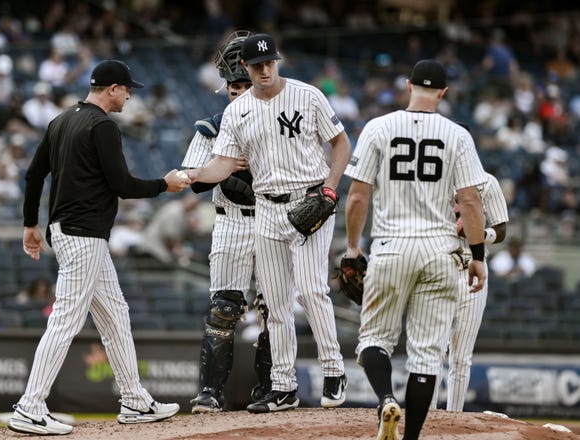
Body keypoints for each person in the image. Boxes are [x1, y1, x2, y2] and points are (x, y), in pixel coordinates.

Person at [8, 59, 190, 436]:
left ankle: (134, 400)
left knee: (115, 315)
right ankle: (29, 406)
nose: (128, 95)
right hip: (83, 234)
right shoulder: (103, 124)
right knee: (67, 319)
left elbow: (33, 174)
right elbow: (123, 185)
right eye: (126, 89)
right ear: (112, 89)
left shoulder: (60, 121)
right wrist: (163, 184)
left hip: (72, 232)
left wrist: (30, 224)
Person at [184, 33, 349, 413]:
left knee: (309, 291)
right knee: (274, 305)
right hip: (265, 210)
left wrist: (330, 189)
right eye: (255, 65)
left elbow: (341, 143)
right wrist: (189, 176)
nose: (263, 69)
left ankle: (333, 369)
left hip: (309, 201)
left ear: (278, 61)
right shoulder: (234, 113)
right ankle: (282, 386)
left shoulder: (307, 95)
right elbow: (221, 164)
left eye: (268, 62)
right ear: (244, 67)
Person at [344, 59, 487, 440]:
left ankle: (386, 398)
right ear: (442, 92)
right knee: (425, 356)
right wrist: (478, 256)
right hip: (441, 251)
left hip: (391, 246)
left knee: (374, 340)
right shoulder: (458, 134)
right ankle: (411, 438)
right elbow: (471, 202)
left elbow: (358, 197)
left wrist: (353, 247)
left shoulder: (378, 127)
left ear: (408, 85)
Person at [181, 30, 271, 413]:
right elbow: (192, 178)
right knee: (224, 309)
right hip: (232, 221)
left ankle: (272, 389)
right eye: (232, 85)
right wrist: (230, 172)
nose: (237, 90)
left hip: (272, 220)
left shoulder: (279, 122)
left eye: (242, 83)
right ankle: (210, 393)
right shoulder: (213, 125)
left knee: (272, 311)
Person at [431, 173, 509, 412]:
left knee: (461, 355)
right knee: (433, 350)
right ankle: (427, 415)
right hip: (438, 270)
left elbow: (502, 229)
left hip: (471, 269)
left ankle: (454, 417)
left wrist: (479, 234)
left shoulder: (487, 182)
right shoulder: (432, 176)